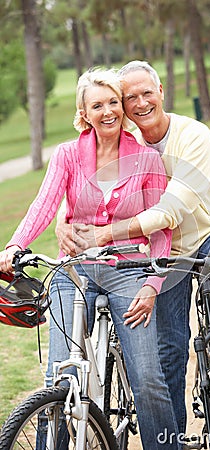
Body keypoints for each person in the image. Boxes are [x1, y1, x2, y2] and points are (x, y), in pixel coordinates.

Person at [56, 61, 210, 440]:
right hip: (159, 253)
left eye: (147, 93)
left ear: (161, 91)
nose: (140, 102)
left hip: (209, 233)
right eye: (130, 98)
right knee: (169, 354)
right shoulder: (126, 144)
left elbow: (173, 208)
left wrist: (105, 234)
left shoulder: (193, 134)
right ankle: (169, 436)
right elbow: (86, 186)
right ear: (122, 105)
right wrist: (64, 219)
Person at [0, 67, 183, 450]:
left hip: (128, 270)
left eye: (113, 102)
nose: (108, 112)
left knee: (147, 378)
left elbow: (162, 229)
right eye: (96, 105)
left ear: (122, 106)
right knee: (59, 375)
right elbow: (44, 205)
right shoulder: (67, 155)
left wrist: (152, 285)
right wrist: (15, 246)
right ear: (84, 113)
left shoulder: (146, 158)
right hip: (74, 271)